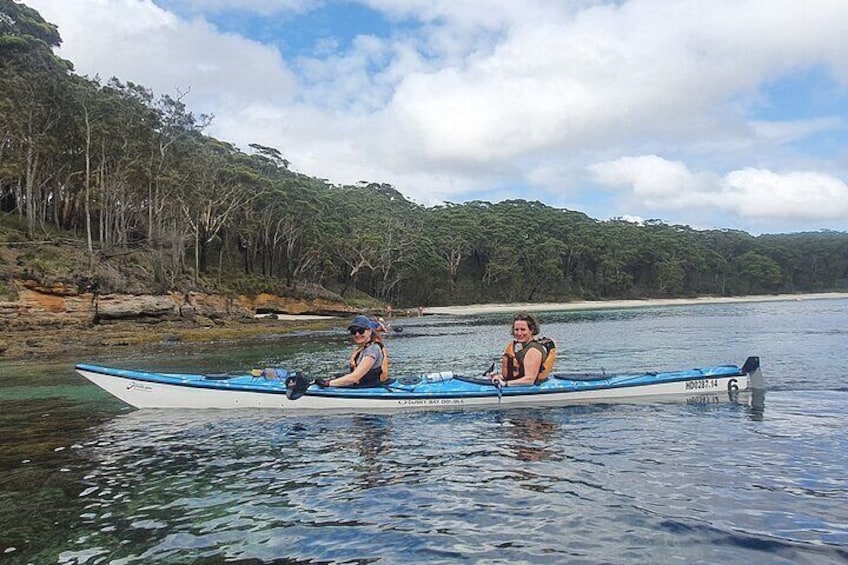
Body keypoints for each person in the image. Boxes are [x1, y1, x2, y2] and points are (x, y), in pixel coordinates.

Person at [316, 315, 389, 388]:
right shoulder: (364, 348)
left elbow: (354, 378)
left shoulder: (372, 349)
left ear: (369, 331)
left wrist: (327, 383)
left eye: (361, 330)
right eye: (353, 331)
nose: (357, 334)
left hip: (369, 387)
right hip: (362, 385)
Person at [490, 313, 556, 387]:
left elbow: (529, 380)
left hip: (532, 391)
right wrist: (499, 377)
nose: (519, 333)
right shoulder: (525, 348)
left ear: (532, 330)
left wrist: (505, 384)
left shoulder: (533, 351)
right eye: (516, 330)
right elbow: (519, 374)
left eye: (523, 330)